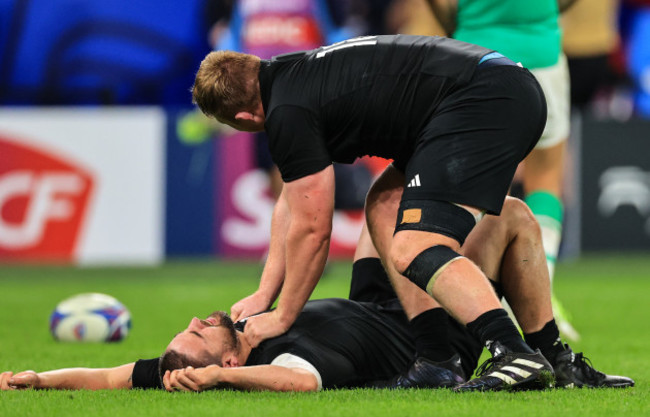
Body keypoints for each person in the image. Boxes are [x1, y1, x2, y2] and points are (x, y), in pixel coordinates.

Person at [192, 34, 552, 391]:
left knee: (415, 247)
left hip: (484, 98)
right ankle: (446, 359)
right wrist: (263, 295)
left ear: (241, 117)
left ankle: (512, 351)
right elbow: (290, 203)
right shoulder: (289, 78)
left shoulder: (287, 113)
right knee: (384, 205)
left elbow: (313, 230)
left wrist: (283, 315)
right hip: (497, 85)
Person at [0, 198, 634, 392]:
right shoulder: (280, 361)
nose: (196, 319)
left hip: (371, 296)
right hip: (428, 328)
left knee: (384, 203)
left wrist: (41, 379)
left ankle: (552, 354)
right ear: (223, 363)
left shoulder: (251, 327)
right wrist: (226, 385)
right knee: (516, 216)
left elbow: (113, 376)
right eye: (197, 333)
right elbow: (302, 386)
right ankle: (548, 356)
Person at [426, 0, 581, 342]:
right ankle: (540, 294)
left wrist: (461, 24)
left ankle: (461, 300)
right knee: (546, 178)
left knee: (467, 179)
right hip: (541, 47)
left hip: (474, 51)